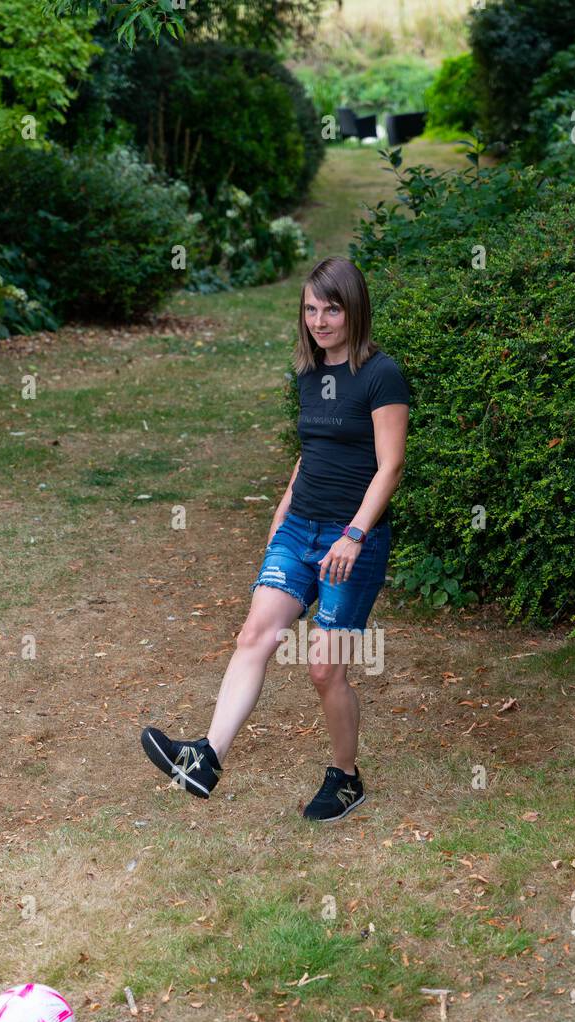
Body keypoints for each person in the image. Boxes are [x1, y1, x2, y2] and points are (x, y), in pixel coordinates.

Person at [140, 255, 410, 821]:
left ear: (354, 308)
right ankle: (206, 758)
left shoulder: (382, 375)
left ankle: (346, 778)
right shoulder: (309, 373)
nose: (319, 320)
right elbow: (310, 453)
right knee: (254, 636)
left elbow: (389, 467)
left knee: (323, 668)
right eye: (310, 309)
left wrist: (355, 534)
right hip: (298, 530)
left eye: (331, 309)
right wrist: (281, 514)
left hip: (350, 543)